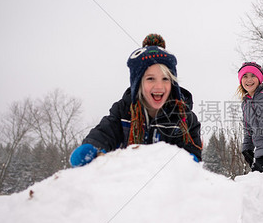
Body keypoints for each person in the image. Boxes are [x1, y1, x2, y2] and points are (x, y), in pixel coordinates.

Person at [69, 34, 202, 167]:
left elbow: (192, 153)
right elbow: (105, 133)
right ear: (138, 83)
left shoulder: (184, 118)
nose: (159, 86)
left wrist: (189, 163)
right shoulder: (124, 111)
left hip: (166, 184)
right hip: (129, 181)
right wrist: (92, 147)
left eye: (165, 79)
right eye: (150, 79)